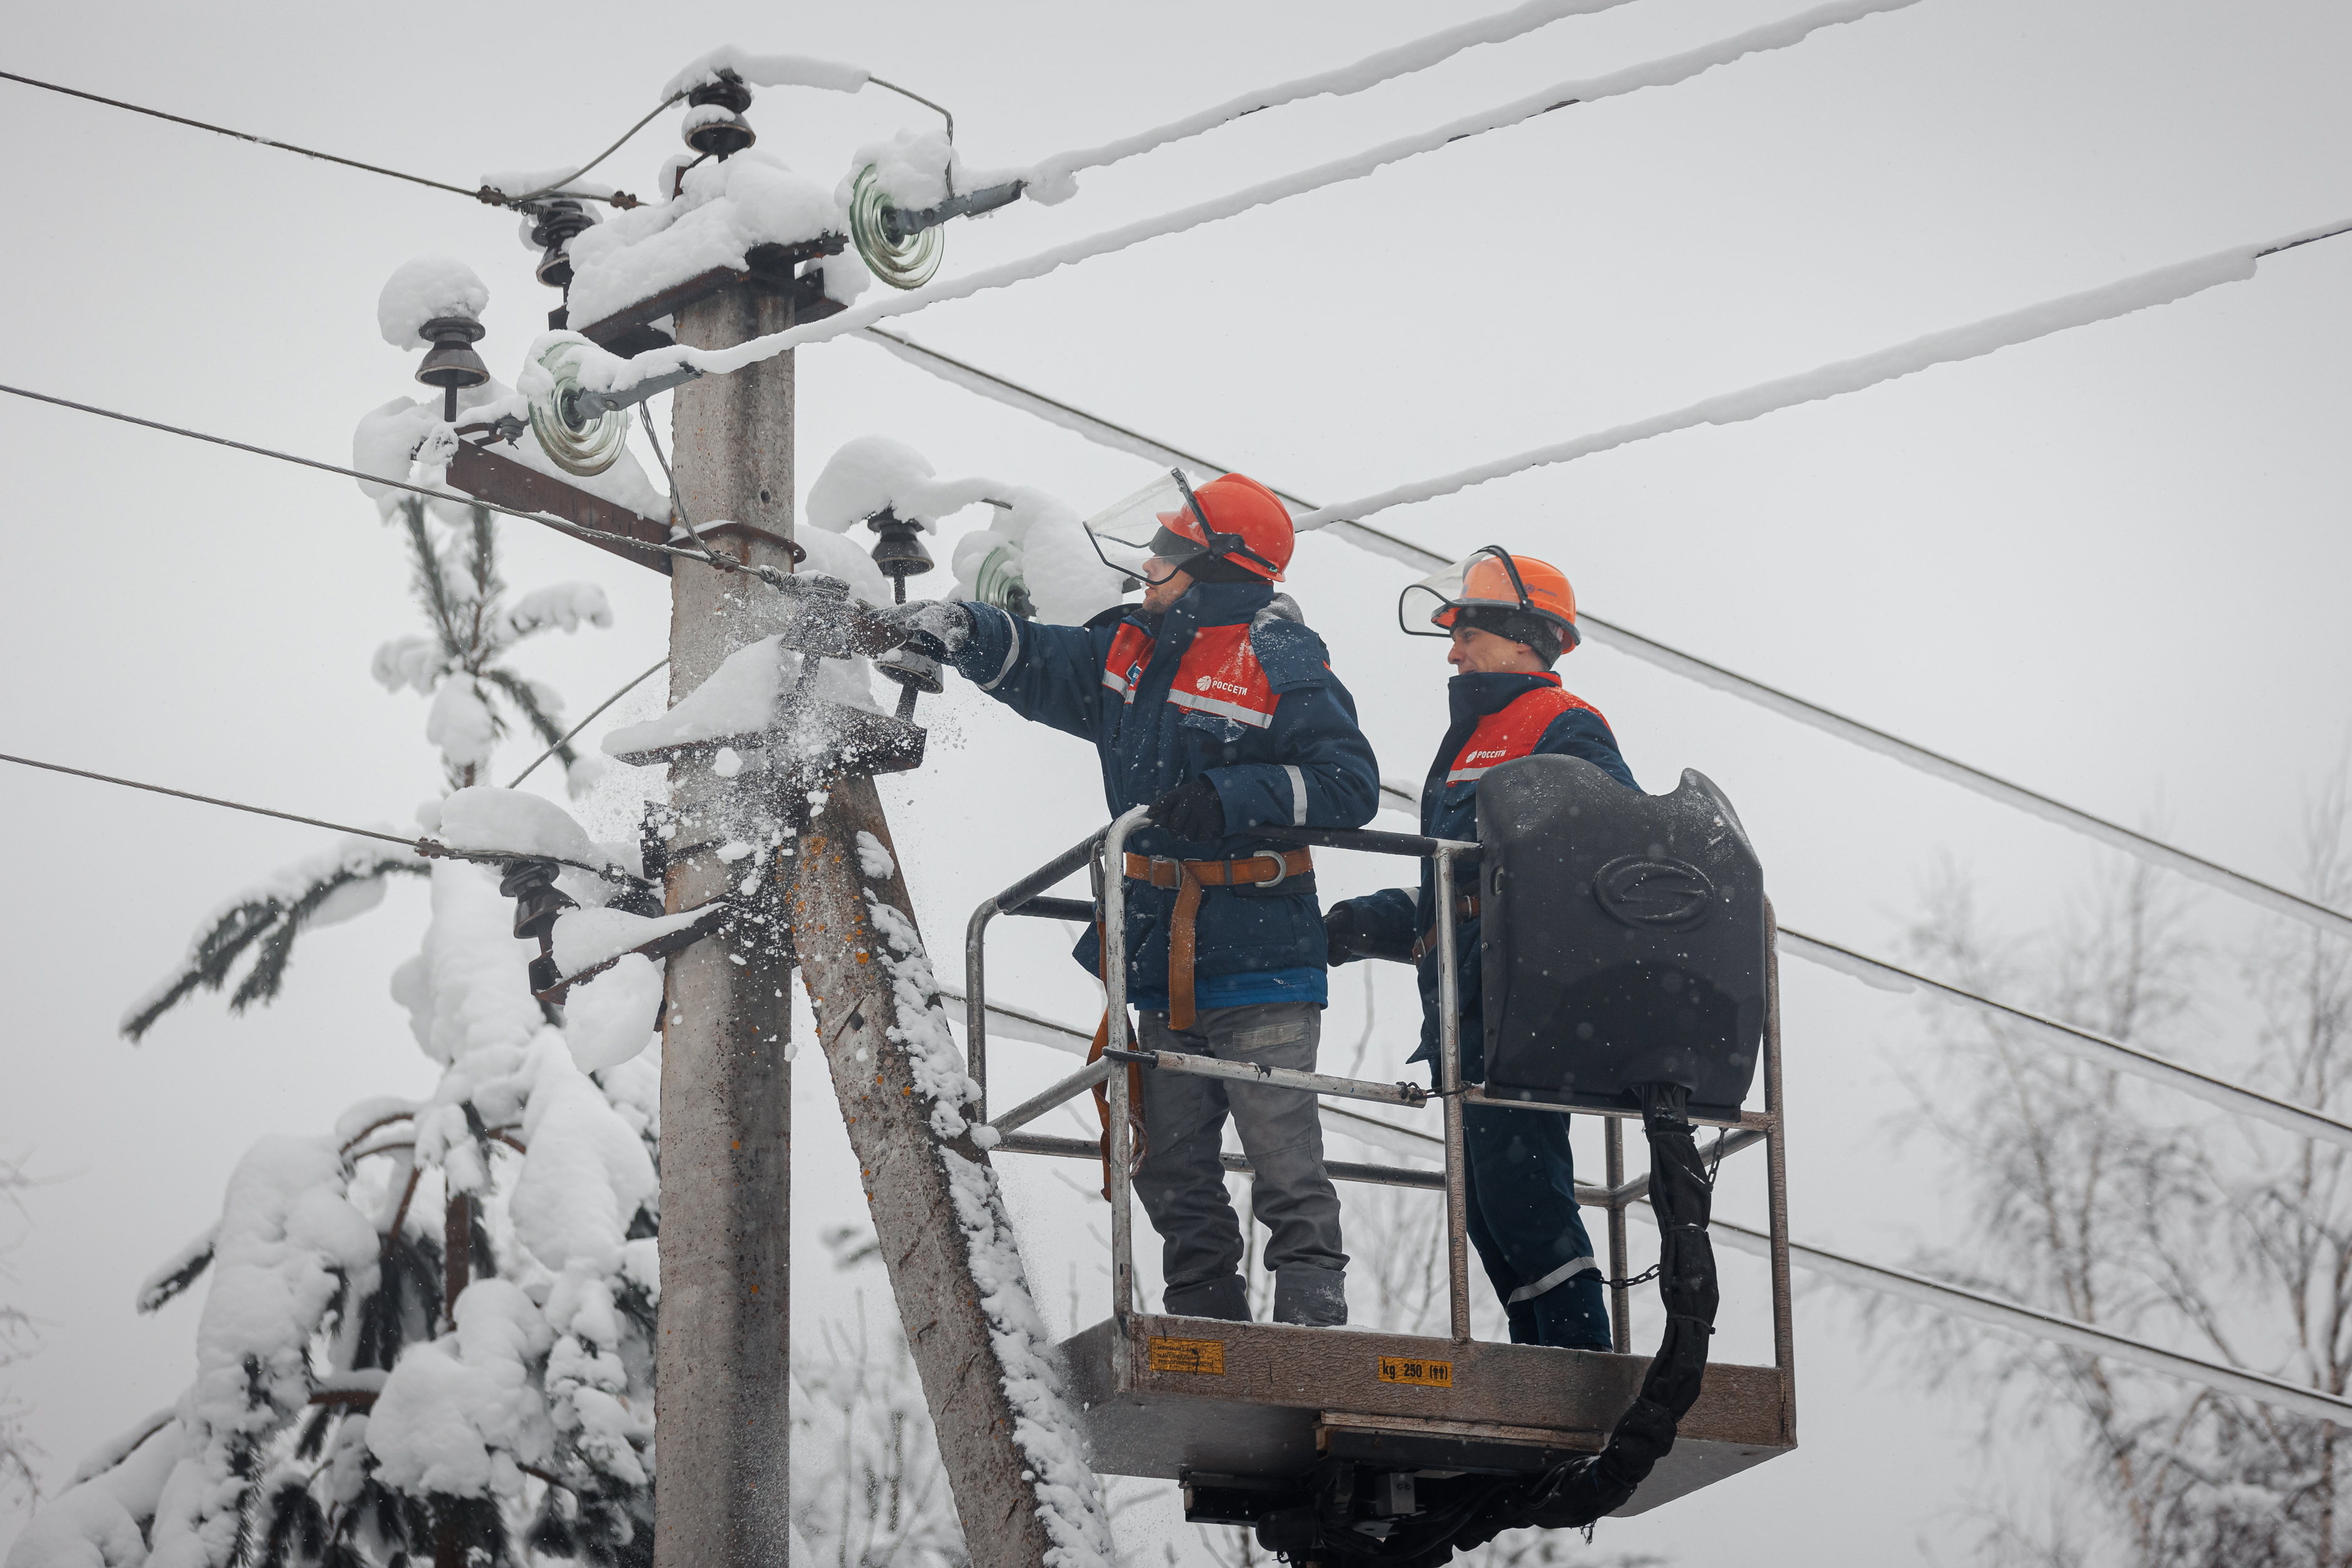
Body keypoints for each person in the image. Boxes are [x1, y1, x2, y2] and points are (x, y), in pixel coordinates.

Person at [882, 469, 1380, 1327]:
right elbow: (1044, 660)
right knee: (1169, 1166)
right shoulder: (1132, 650)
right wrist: (964, 628)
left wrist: (1230, 800)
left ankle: (1310, 1323)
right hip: (1161, 959)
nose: (1148, 561)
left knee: (1283, 1163)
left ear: (1216, 566)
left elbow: (1348, 784)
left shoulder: (1275, 657)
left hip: (1258, 956)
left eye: (1167, 548)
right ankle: (1206, 1318)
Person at [1323, 548, 1636, 1350]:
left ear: (1526, 637)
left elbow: (1616, 851)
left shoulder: (1563, 724)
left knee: (1524, 1195)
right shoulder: (1468, 742)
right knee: (1491, 1207)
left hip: (1519, 1010)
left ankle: (1575, 1364)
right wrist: (1358, 924)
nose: (1453, 651)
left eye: (1465, 633)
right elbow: (1455, 892)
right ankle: (1543, 1359)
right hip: (1467, 1014)